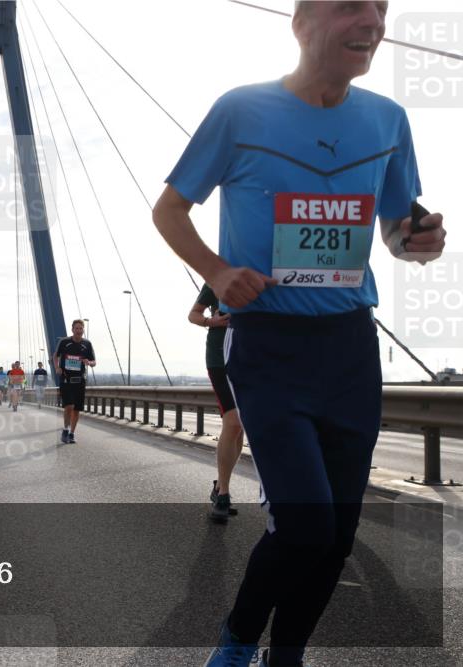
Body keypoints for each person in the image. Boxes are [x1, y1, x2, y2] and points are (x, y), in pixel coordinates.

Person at [151, 3, 446, 665]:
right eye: (351, 6)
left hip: (349, 347)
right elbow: (169, 209)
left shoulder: (388, 119)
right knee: (306, 521)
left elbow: (400, 231)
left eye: (381, 7)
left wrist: (420, 240)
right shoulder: (240, 110)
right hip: (267, 346)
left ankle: (286, 653)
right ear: (303, 23)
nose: (372, 20)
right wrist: (218, 270)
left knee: (338, 533)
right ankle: (235, 640)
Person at [189, 284, 245, 523]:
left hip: (251, 357)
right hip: (219, 356)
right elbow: (193, 314)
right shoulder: (216, 277)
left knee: (240, 427)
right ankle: (223, 494)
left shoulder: (263, 273)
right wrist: (211, 322)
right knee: (232, 423)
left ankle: (221, 485)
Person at [54, 320, 96, 444]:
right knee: (69, 406)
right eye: (76, 328)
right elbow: (55, 356)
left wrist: (89, 362)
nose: (78, 331)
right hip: (66, 380)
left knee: (76, 409)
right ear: (72, 330)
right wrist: (57, 367)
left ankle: (72, 433)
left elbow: (94, 362)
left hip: (80, 381)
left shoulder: (87, 344)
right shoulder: (64, 342)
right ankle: (65, 430)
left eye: (80, 328)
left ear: (83, 330)